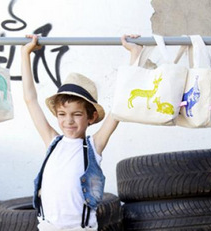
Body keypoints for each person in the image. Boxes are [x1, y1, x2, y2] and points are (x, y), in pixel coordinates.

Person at [21, 34, 142, 231]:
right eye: (62, 114)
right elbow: (30, 99)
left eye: (77, 114)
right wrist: (25, 53)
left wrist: (135, 55)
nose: (68, 121)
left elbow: (121, 104)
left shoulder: (94, 145)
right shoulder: (52, 141)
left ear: (91, 117)